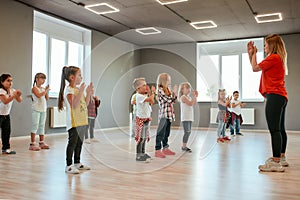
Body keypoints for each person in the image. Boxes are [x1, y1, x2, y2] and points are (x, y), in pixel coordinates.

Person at [248, 34, 288, 172]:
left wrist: (254, 53)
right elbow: (256, 66)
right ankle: (281, 157)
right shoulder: (278, 58)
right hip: (281, 97)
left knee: (274, 129)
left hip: (274, 96)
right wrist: (251, 54)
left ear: (272, 45)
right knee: (280, 128)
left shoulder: (273, 57)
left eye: (265, 45)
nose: (264, 47)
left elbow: (254, 68)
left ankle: (276, 162)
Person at [58, 66, 94, 174]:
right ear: (72, 77)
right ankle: (69, 165)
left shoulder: (78, 90)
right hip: (74, 122)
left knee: (79, 142)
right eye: (79, 75)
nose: (81, 78)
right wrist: (81, 91)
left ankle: (77, 162)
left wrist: (88, 93)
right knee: (72, 143)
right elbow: (74, 105)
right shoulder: (68, 90)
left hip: (82, 120)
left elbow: (85, 104)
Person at [155, 73, 177, 158]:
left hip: (169, 115)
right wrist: (174, 93)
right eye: (168, 80)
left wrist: (174, 94)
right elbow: (169, 100)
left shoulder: (167, 90)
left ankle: (165, 148)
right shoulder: (160, 90)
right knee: (160, 133)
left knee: (166, 133)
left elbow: (173, 101)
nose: (169, 82)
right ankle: (157, 150)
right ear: (163, 81)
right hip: (163, 115)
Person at [132, 78, 155, 162]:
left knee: (144, 138)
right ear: (138, 88)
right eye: (144, 85)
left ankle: (143, 153)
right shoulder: (138, 96)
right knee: (141, 138)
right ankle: (138, 155)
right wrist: (152, 92)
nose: (146, 87)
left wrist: (149, 93)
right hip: (141, 120)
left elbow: (151, 102)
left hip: (146, 119)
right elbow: (151, 99)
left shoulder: (144, 95)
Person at [0, 74, 22, 154]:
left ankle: (6, 149)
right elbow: (5, 101)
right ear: (2, 82)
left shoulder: (13, 90)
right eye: (8, 81)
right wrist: (14, 95)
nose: (10, 83)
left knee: (6, 133)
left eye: (11, 81)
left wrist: (18, 95)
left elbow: (19, 100)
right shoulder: (1, 90)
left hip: (6, 115)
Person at [29, 73, 50, 151]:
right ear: (37, 79)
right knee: (35, 125)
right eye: (42, 78)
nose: (44, 80)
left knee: (42, 125)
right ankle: (32, 143)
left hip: (43, 109)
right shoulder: (34, 88)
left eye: (44, 79)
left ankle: (41, 142)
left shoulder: (43, 89)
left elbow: (47, 98)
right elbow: (38, 95)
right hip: (36, 109)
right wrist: (45, 91)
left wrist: (46, 91)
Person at [178, 82, 198, 153]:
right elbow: (190, 103)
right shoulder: (183, 97)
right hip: (185, 117)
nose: (189, 89)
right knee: (187, 132)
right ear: (182, 90)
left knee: (188, 132)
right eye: (187, 88)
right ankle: (183, 146)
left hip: (189, 117)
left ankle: (184, 146)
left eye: (189, 88)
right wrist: (194, 96)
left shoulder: (189, 97)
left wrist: (195, 96)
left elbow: (194, 103)